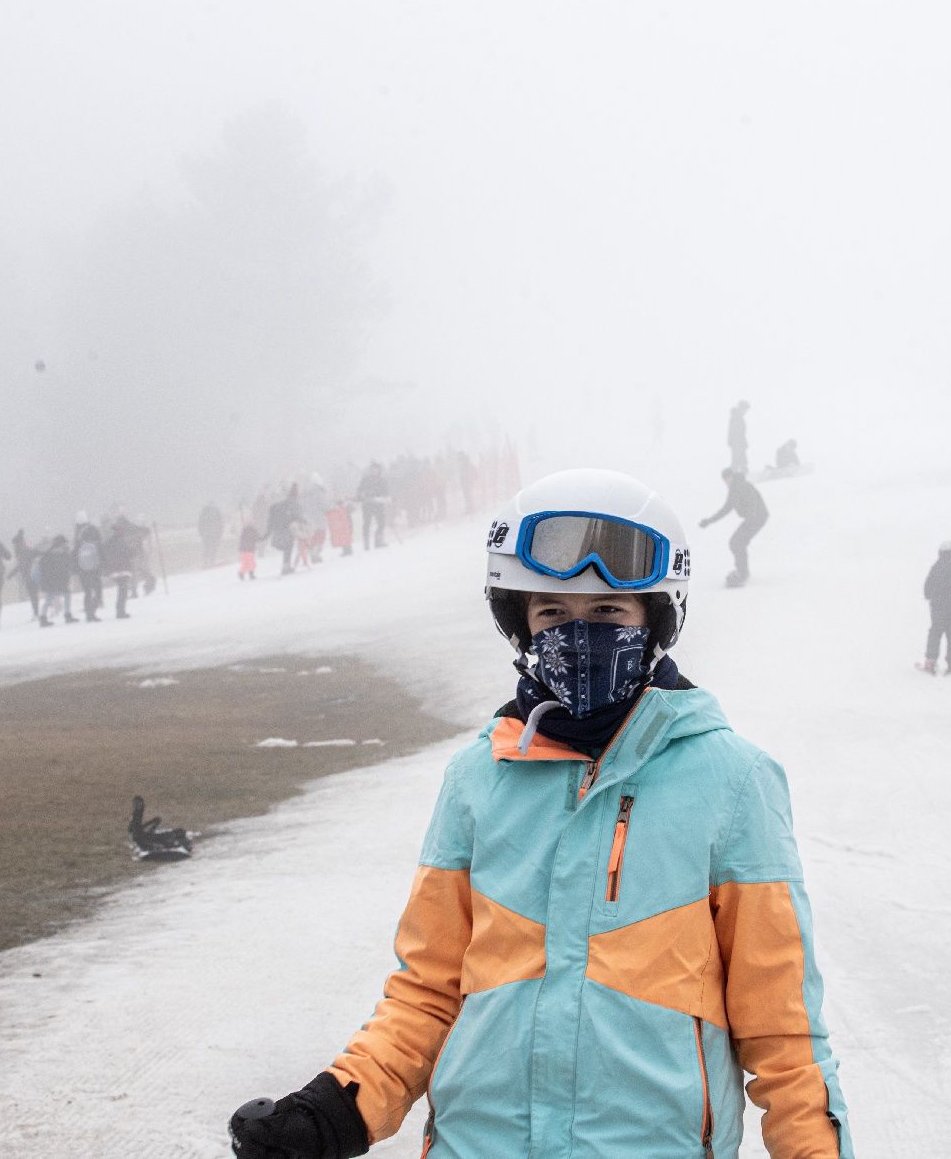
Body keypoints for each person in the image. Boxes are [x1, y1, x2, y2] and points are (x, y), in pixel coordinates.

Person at [228, 468, 853, 1159]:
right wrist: (329, 1112)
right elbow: (429, 995)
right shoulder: (476, 780)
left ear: (656, 617)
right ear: (520, 622)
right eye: (552, 613)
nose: (578, 633)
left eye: (609, 612)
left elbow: (785, 1036)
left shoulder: (734, 782)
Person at [698, 466, 768, 587]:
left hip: (757, 517)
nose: (726, 482)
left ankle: (742, 573)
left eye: (727, 478)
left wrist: (750, 519)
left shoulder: (742, 485)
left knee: (736, 542)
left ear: (731, 476)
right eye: (724, 480)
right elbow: (726, 509)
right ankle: (742, 571)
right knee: (736, 542)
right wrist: (709, 521)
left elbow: (753, 502)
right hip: (754, 518)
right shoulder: (734, 489)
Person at [921, 541, 951, 674]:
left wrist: (929, 595)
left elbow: (928, 584)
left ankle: (930, 661)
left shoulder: (937, 566)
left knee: (935, 631)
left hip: (938, 606)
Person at [37, 535, 76, 626]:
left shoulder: (47, 554)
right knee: (67, 595)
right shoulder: (62, 554)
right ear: (61, 544)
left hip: (49, 581)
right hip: (59, 580)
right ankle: (67, 615)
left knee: (48, 599)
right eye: (64, 543)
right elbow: (65, 568)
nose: (65, 545)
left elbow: (43, 568)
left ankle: (43, 618)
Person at [268, 485, 304, 575]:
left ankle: (286, 565)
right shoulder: (293, 503)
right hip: (284, 529)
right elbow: (297, 516)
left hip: (278, 528)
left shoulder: (284, 503)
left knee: (288, 545)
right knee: (288, 544)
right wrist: (304, 522)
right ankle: (286, 566)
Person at [102, 523, 135, 620]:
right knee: (123, 590)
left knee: (122, 590)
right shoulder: (120, 541)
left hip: (115, 570)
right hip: (121, 570)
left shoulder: (109, 542)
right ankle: (120, 612)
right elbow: (129, 553)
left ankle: (120, 611)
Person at [357, 462, 390, 550]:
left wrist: (381, 497)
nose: (374, 471)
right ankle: (366, 543)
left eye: (376, 469)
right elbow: (359, 491)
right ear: (370, 470)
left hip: (378, 504)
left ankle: (378, 540)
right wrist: (363, 494)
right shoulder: (365, 479)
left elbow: (386, 492)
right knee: (367, 523)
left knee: (381, 522)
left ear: (379, 470)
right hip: (367, 504)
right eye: (373, 469)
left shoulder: (382, 480)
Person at [75, 524, 105, 621]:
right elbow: (102, 557)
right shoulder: (96, 544)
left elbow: (74, 559)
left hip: (83, 572)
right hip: (94, 571)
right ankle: (92, 612)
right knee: (98, 592)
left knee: (87, 592)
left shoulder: (79, 546)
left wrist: (78, 570)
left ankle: (88, 614)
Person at [727, 398, 751, 473]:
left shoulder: (737, 417)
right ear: (741, 408)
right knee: (739, 461)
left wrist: (744, 442)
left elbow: (740, 433)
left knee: (740, 461)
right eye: (745, 409)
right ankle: (738, 477)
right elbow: (736, 433)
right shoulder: (736, 417)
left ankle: (739, 475)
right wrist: (741, 443)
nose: (746, 412)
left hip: (738, 444)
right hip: (737, 444)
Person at [199, 501, 225, 567]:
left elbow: (200, 523)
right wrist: (220, 532)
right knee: (214, 547)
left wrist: (201, 533)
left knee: (207, 547)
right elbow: (220, 523)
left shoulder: (204, 512)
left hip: (206, 533)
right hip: (215, 533)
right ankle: (212, 560)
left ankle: (205, 561)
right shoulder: (217, 511)